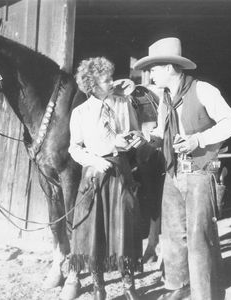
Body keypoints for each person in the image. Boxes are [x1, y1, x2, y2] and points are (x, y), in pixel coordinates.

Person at [133, 37, 231, 300]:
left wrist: (197, 140)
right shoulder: (167, 98)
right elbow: (160, 132)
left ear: (170, 67)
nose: (150, 75)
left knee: (198, 235)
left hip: (202, 170)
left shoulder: (204, 90)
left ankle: (205, 294)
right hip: (174, 171)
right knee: (172, 233)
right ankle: (179, 285)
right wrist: (145, 138)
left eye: (154, 69)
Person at [65, 57, 144, 300]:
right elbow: (74, 148)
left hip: (120, 172)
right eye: (106, 80)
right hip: (95, 174)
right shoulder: (80, 112)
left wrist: (131, 139)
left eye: (111, 77)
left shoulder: (122, 104)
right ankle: (99, 288)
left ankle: (129, 287)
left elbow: (135, 131)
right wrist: (93, 160)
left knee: (124, 228)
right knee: (93, 231)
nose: (112, 82)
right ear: (92, 84)